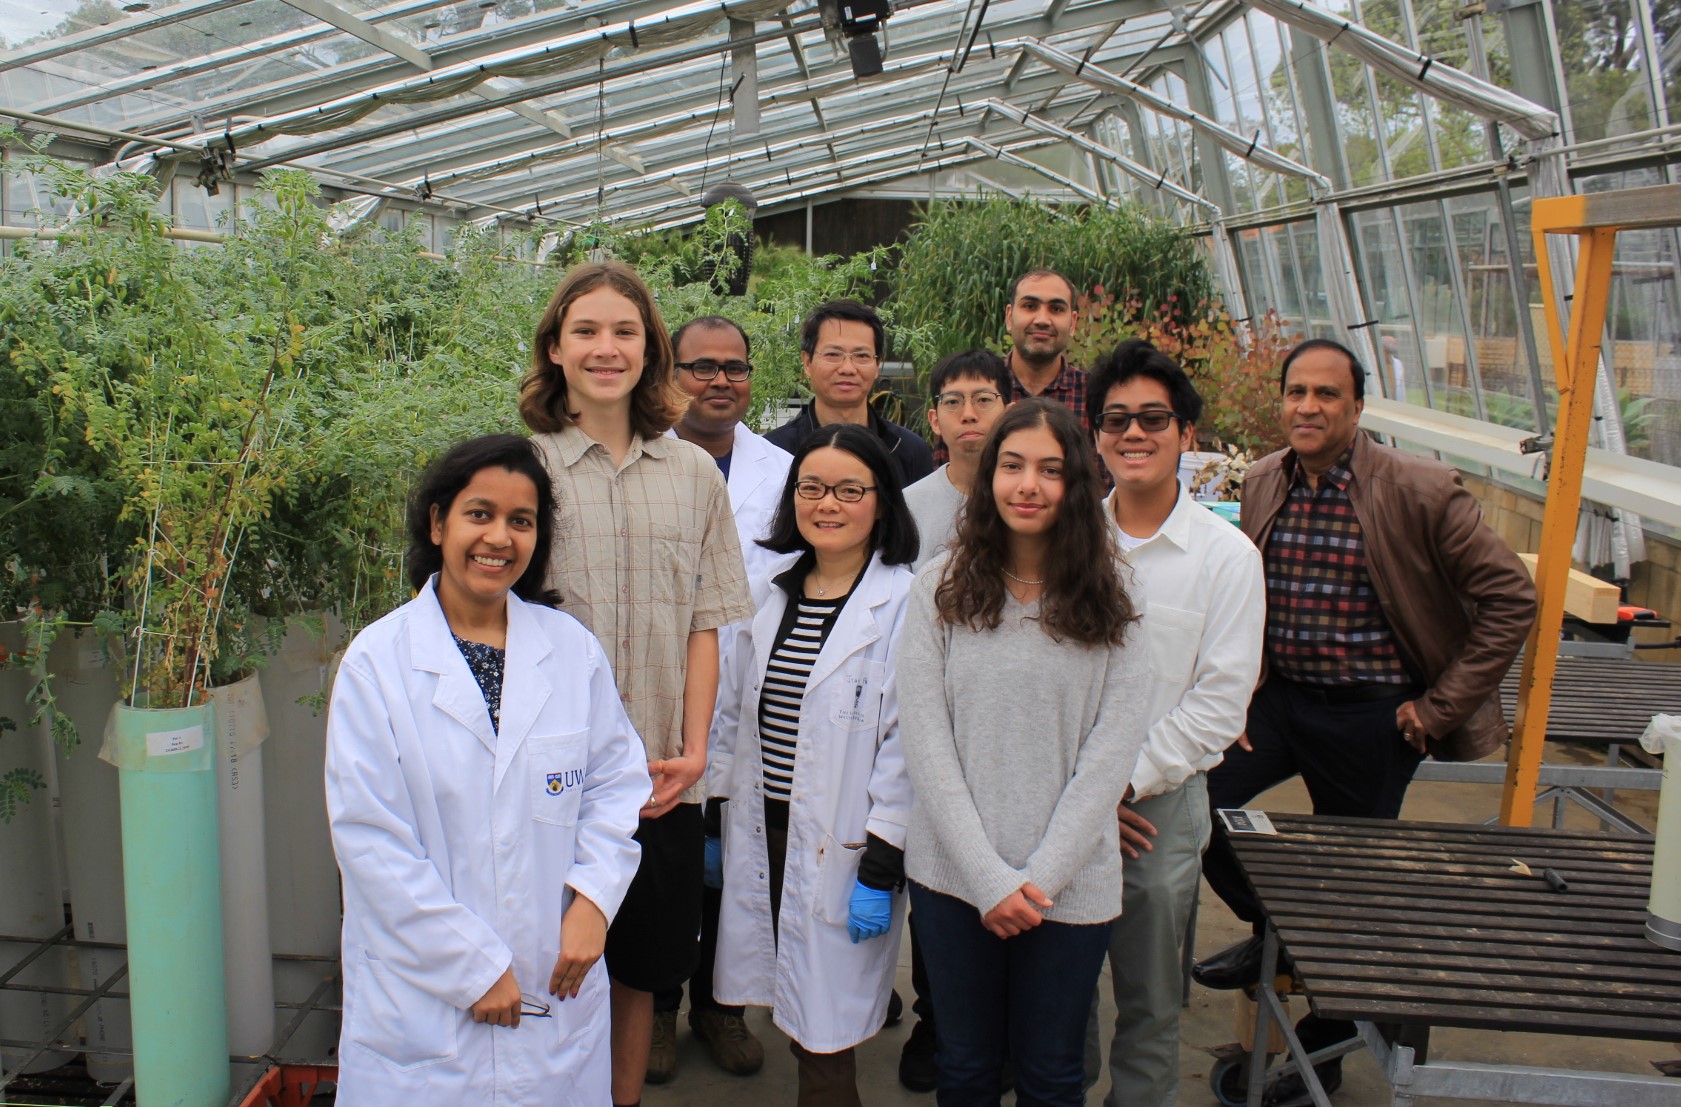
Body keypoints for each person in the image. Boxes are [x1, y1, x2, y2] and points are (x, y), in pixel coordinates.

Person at [1193, 338, 1537, 1106]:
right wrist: (1241, 689)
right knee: (1194, 803)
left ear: (1356, 407)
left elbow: (1511, 598)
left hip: (1375, 714)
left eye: (1325, 395)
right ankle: (1273, 930)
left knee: (1350, 882)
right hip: (1281, 702)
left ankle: (1322, 1049)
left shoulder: (1419, 487)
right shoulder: (1260, 480)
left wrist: (1438, 706)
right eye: (1295, 393)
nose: (1306, 407)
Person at [325, 434, 650, 1106]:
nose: (498, 537)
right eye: (479, 514)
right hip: (425, 1010)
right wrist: (469, 964)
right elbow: (370, 839)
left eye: (520, 520)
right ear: (439, 522)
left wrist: (593, 900)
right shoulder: (377, 660)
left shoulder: (569, 650)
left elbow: (615, 785)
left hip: (552, 988)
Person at [522, 262, 755, 1107]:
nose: (605, 348)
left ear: (651, 349)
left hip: (659, 776)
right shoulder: (527, 470)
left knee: (642, 972)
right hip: (551, 774)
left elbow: (705, 619)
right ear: (555, 348)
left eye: (624, 331)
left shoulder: (692, 472)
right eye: (585, 331)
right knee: (552, 958)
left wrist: (693, 749)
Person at [899, 398, 1151, 1106]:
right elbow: (926, 740)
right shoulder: (939, 587)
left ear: (1077, 484)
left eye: (1049, 469)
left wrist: (1037, 878)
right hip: (953, 881)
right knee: (966, 1067)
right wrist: (986, 877)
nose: (1027, 485)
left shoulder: (1116, 594)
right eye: (1011, 466)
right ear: (989, 479)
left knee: (1050, 1073)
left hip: (1068, 889)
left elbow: (1110, 752)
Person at [710, 424, 919, 1107]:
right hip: (762, 834)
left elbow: (906, 745)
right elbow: (733, 713)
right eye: (811, 487)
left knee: (825, 1034)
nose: (827, 503)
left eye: (848, 489)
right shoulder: (767, 590)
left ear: (881, 502)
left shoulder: (905, 603)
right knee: (787, 1002)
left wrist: (882, 863)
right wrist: (715, 816)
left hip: (843, 845)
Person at [1082, 340, 1266, 1107]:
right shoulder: (1066, 541)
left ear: (1187, 434)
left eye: (1153, 418)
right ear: (1094, 435)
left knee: (1151, 1006)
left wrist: (1115, 784)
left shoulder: (1226, 557)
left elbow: (1219, 705)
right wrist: (1081, 793)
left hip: (1155, 808)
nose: (1133, 433)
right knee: (1055, 1000)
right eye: (1116, 418)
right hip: (1054, 796)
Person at [650, 314, 791, 1082]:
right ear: (671, 375)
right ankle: (661, 1006)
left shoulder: (783, 470)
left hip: (760, 706)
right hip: (667, 696)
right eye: (699, 366)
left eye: (733, 367)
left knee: (743, 867)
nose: (718, 380)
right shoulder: (646, 463)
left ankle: (721, 1007)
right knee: (670, 864)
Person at [765, 298, 935, 486]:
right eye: (833, 355)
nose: (848, 368)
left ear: (877, 364)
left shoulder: (910, 450)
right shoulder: (773, 452)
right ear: (807, 362)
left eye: (862, 356)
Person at [904, 348, 1013, 573]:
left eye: (983, 399)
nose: (968, 414)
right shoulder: (908, 507)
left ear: (1009, 414)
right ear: (935, 420)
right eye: (953, 402)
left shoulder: (1028, 496)